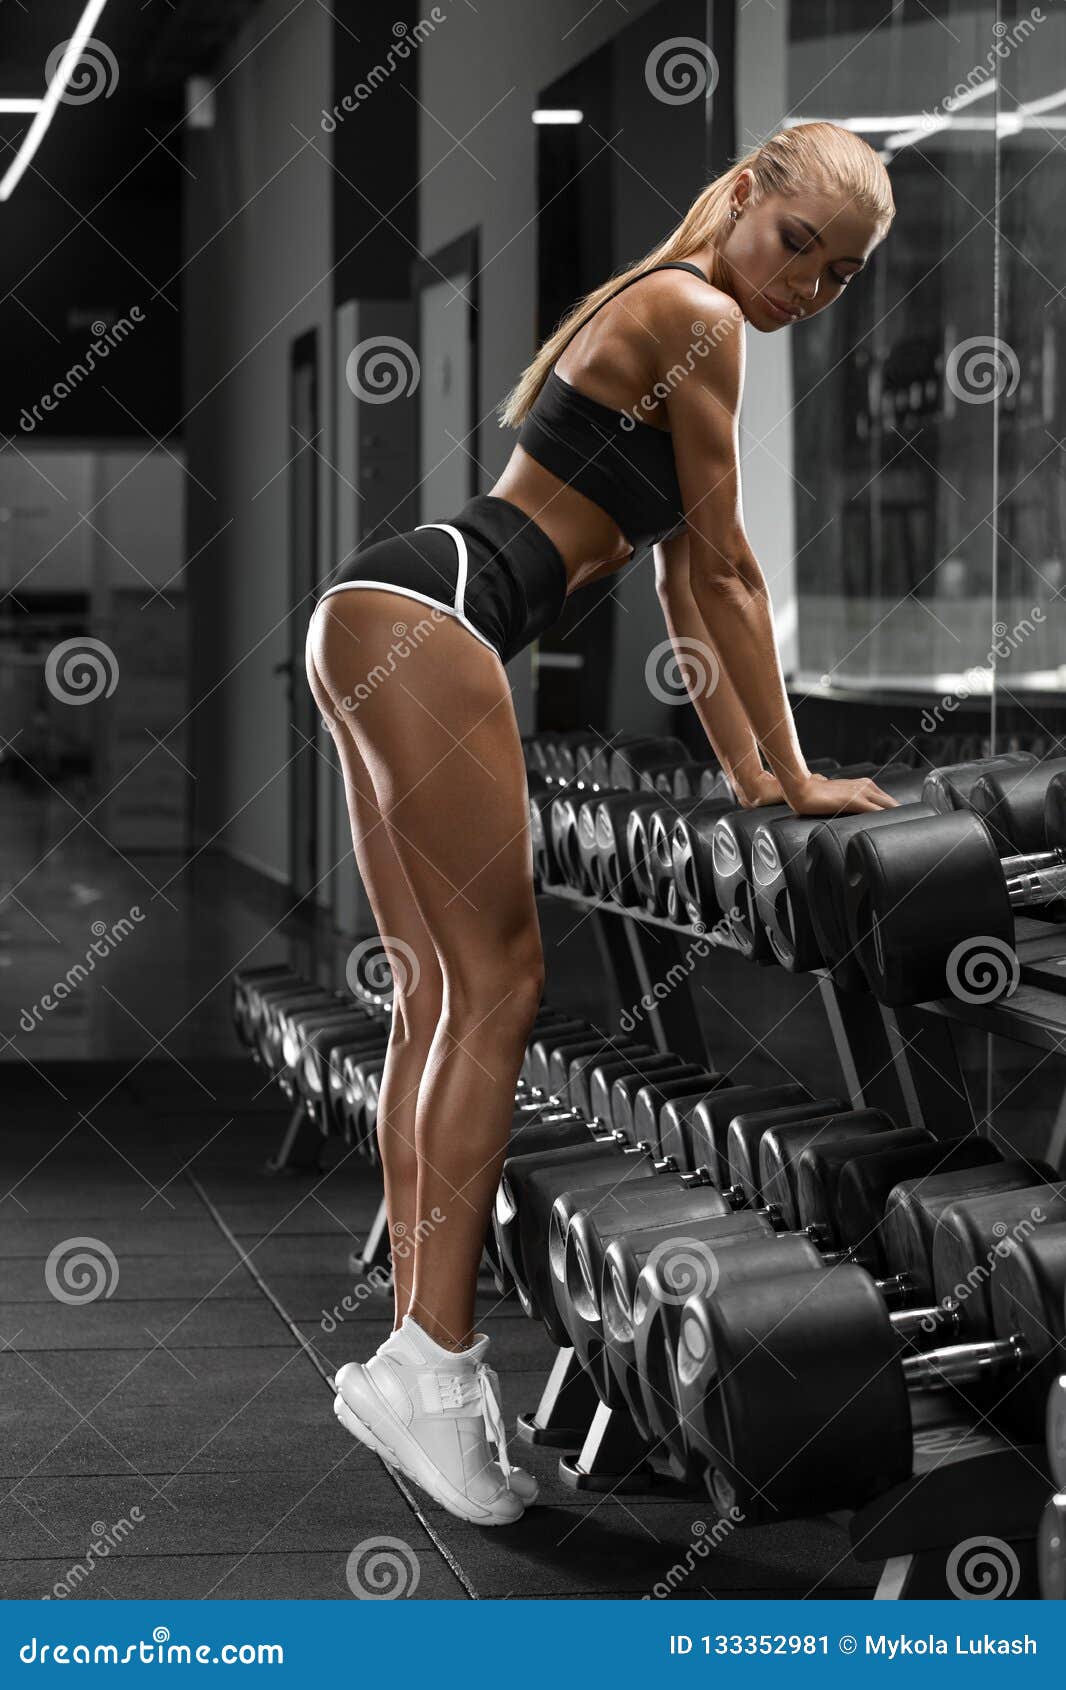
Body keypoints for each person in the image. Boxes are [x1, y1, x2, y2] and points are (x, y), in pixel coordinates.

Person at [306, 121, 898, 1526]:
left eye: (838, 276)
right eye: (796, 244)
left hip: (378, 606)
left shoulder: (652, 300)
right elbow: (726, 568)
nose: (805, 286)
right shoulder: (694, 311)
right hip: (436, 615)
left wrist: (755, 770)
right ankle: (438, 1369)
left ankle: (411, 1354)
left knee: (435, 996)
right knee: (500, 985)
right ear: (744, 192)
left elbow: (692, 591)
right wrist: (794, 778)